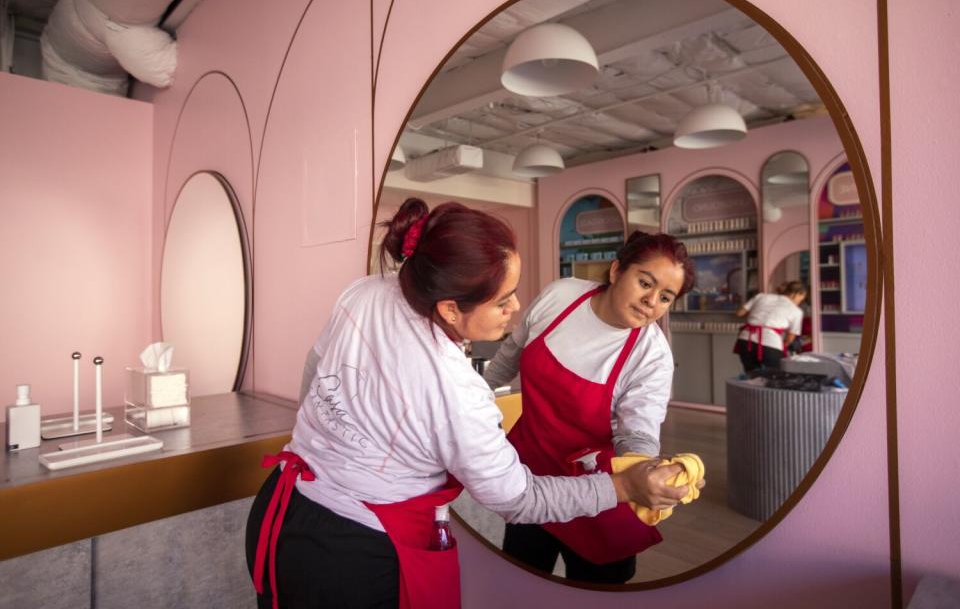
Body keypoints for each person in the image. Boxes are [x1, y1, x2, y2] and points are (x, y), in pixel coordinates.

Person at [244, 199, 692, 609]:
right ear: (451, 309)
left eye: (666, 296)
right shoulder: (459, 387)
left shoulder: (366, 291)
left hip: (284, 509)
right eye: (502, 300)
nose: (516, 307)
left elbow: (316, 371)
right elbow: (518, 497)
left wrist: (334, 439)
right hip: (353, 555)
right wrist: (624, 488)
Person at [482, 230, 698, 584]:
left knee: (596, 589)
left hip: (601, 493)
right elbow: (510, 356)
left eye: (665, 297)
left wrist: (647, 471)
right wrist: (472, 396)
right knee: (519, 581)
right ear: (616, 271)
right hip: (530, 476)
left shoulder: (651, 356)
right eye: (645, 282)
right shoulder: (560, 296)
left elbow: (638, 431)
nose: (651, 302)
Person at [733, 280, 807, 373]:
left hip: (745, 341)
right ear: (797, 294)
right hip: (770, 344)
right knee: (775, 379)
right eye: (801, 299)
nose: (800, 302)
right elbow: (789, 339)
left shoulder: (761, 296)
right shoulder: (796, 311)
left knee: (751, 377)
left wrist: (757, 317)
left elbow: (739, 313)